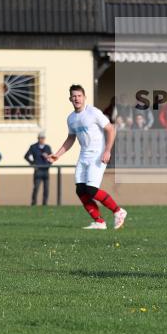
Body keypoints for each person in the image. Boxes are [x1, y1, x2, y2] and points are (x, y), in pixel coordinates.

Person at [48, 84, 127, 230]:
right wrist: (57, 155)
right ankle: (99, 222)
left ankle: (118, 211)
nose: (76, 98)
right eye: (74, 96)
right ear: (70, 99)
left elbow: (110, 129)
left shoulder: (93, 112)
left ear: (84, 97)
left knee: (91, 190)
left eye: (79, 96)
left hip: (98, 155)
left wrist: (107, 150)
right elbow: (71, 138)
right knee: (80, 190)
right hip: (83, 155)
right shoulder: (71, 118)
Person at [24, 132, 52, 206]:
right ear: (38, 138)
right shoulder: (33, 147)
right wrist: (33, 163)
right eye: (40, 138)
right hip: (38, 170)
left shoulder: (47, 147)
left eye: (43, 138)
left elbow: (52, 158)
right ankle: (34, 202)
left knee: (46, 189)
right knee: (36, 187)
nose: (42, 140)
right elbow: (26, 156)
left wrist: (48, 159)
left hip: (46, 170)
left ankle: (45, 203)